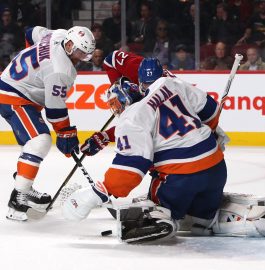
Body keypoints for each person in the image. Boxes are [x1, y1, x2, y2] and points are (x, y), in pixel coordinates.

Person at [63, 58, 227, 243]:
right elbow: (211, 111)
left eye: (116, 103)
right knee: (201, 217)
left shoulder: (132, 117)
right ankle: (210, 219)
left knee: (157, 200)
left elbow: (130, 169)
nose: (116, 109)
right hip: (217, 168)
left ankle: (158, 217)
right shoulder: (172, 83)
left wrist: (99, 191)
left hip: (180, 179)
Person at [0, 25, 96, 221]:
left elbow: (30, 32)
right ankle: (18, 200)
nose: (78, 56)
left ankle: (24, 185)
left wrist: (33, 62)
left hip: (19, 91)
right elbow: (55, 110)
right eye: (76, 51)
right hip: (13, 96)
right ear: (68, 44)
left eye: (83, 54)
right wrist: (65, 134)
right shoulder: (60, 71)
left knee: (32, 145)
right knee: (39, 141)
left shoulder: (57, 34)